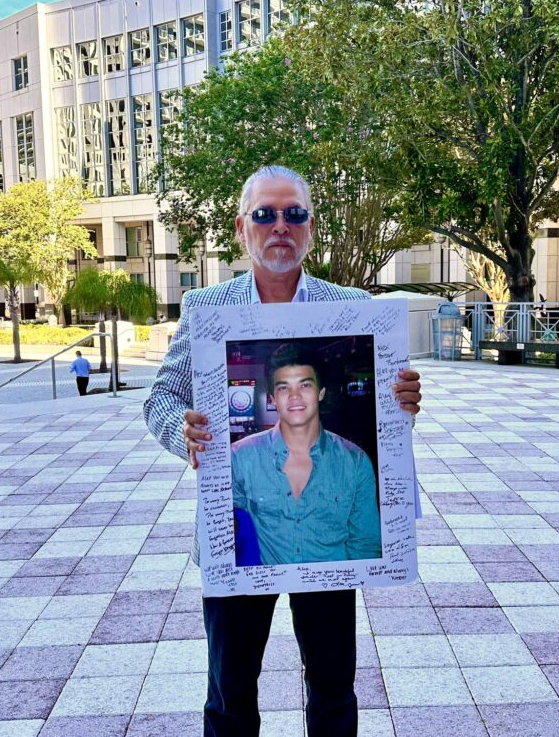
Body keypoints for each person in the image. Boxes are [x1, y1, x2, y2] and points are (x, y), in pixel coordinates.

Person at [144, 165, 421, 737]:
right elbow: (162, 398)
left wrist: (400, 403)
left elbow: (385, 421)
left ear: (311, 228)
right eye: (265, 215)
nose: (279, 227)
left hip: (325, 540)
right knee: (230, 691)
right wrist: (185, 432)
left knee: (333, 690)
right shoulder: (206, 307)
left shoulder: (351, 307)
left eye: (293, 214)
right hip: (240, 534)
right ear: (242, 227)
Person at [230, 343, 380, 565]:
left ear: (321, 392)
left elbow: (365, 545)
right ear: (272, 398)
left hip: (330, 585)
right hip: (260, 585)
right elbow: (229, 536)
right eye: (283, 388)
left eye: (305, 386)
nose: (294, 397)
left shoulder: (355, 462)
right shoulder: (240, 458)